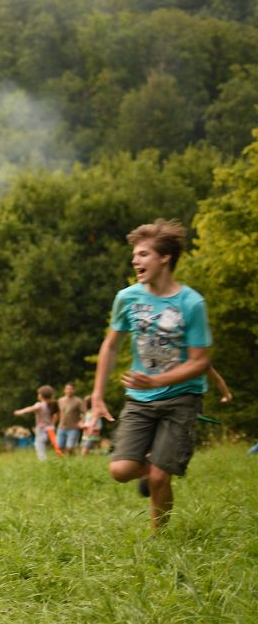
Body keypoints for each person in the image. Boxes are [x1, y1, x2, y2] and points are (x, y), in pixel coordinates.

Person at [91, 219, 211, 532]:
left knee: (160, 477)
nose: (135, 260)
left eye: (143, 254)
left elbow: (200, 362)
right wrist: (97, 396)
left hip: (182, 397)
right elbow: (111, 346)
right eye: (135, 255)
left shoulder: (191, 303)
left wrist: (157, 381)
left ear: (164, 258)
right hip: (140, 399)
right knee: (120, 469)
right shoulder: (127, 298)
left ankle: (159, 535)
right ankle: (152, 468)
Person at [14, 385, 61, 460]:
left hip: (42, 429)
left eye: (38, 394)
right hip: (50, 429)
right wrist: (52, 424)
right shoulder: (51, 405)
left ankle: (43, 462)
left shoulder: (40, 405)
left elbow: (32, 408)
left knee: (39, 445)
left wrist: (21, 411)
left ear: (41, 395)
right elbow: (56, 416)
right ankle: (61, 457)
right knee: (56, 446)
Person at [56, 383, 86, 454]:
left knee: (70, 447)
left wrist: (81, 422)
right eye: (67, 389)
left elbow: (85, 413)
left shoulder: (78, 401)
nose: (68, 391)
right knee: (59, 447)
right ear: (64, 390)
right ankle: (62, 462)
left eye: (70, 389)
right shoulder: (60, 400)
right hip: (61, 427)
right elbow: (58, 413)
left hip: (73, 428)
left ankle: (72, 459)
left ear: (74, 390)